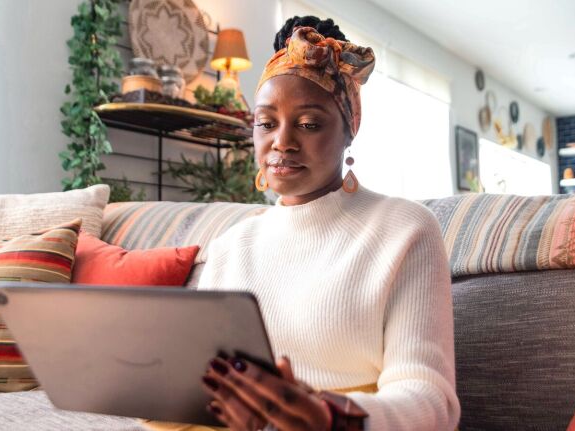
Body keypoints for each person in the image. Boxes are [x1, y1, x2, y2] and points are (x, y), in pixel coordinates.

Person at [193, 16, 459, 431]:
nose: (281, 141)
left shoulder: (406, 229)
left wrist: (332, 417)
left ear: (349, 132)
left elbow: (431, 400)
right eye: (266, 123)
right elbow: (201, 380)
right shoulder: (230, 246)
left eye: (309, 124)